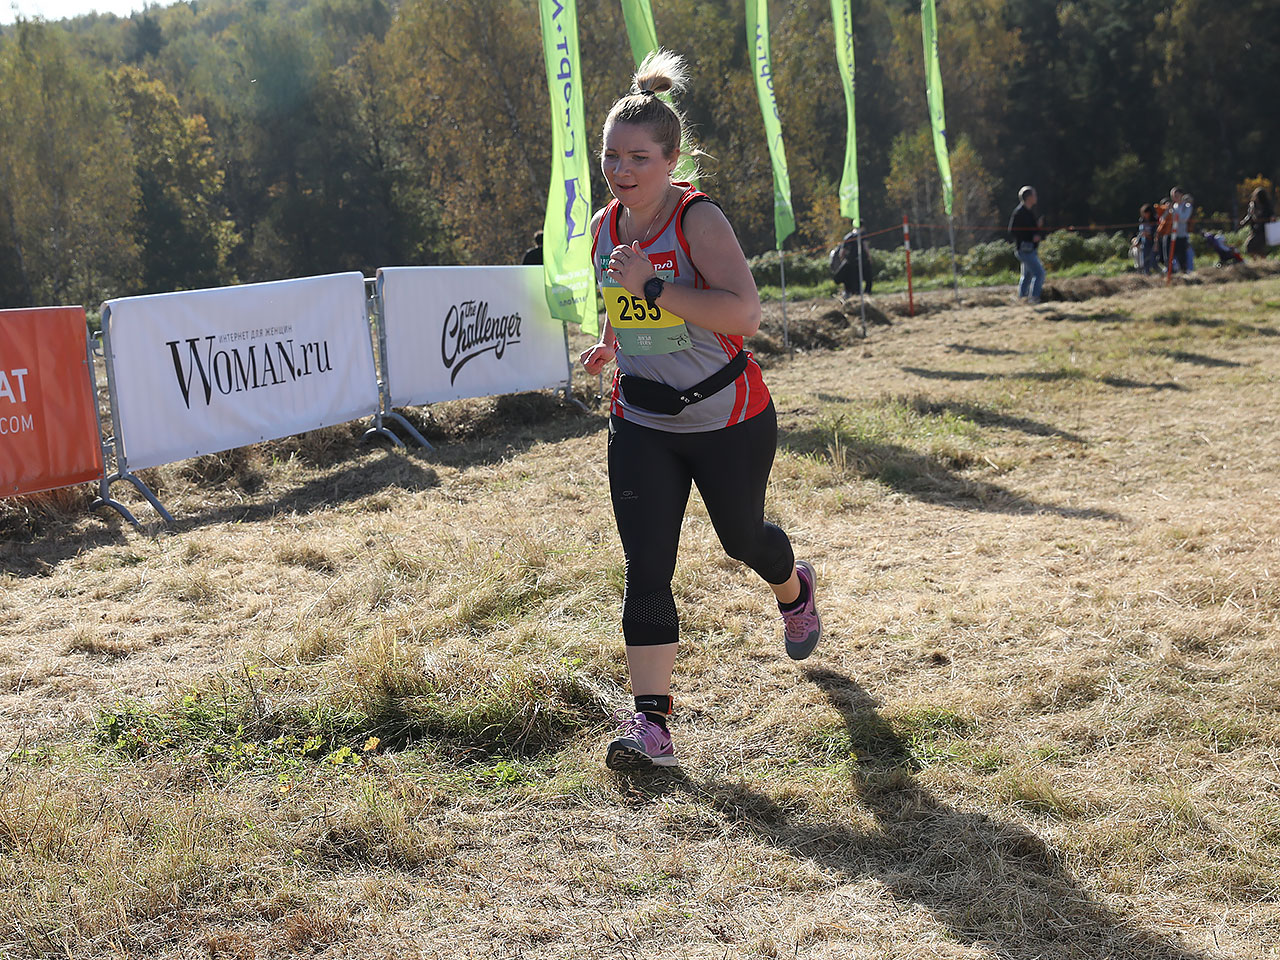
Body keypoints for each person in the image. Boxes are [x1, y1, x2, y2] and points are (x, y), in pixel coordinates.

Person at [579, 49, 821, 772]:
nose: (622, 170)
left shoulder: (697, 220)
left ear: (671, 159)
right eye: (611, 156)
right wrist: (611, 342)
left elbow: (743, 315)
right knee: (647, 566)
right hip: (642, 421)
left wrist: (655, 287)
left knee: (743, 539)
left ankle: (793, 589)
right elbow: (622, 297)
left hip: (726, 417)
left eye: (639, 158)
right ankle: (652, 723)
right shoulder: (604, 226)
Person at [1008, 185, 1045, 304]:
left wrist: (1037, 227)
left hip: (1030, 249)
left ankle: (1022, 299)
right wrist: (1031, 237)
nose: (1036, 197)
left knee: (1027, 276)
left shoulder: (1029, 212)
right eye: (1034, 195)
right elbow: (1013, 231)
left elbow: (1029, 230)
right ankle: (1034, 298)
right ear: (1029, 197)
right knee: (1039, 273)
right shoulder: (1019, 212)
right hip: (1025, 249)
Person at [830, 228, 874, 297]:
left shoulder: (848, 236)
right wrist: (869, 257)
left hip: (850, 262)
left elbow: (842, 252)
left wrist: (843, 261)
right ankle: (864, 293)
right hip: (862, 261)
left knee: (850, 278)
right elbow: (865, 247)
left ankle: (852, 293)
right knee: (867, 278)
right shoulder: (862, 235)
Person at [1241, 186, 1275, 259]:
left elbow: (1272, 216)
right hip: (1255, 229)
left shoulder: (1267, 206)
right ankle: (1259, 261)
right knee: (1251, 247)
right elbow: (1250, 215)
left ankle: (1262, 261)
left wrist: (1264, 219)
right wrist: (1244, 221)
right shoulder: (1253, 205)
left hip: (1264, 230)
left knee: (1251, 246)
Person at [1169, 186, 1193, 274]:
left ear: (1181, 195)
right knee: (1170, 255)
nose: (1174, 198)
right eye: (1173, 196)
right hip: (1171, 235)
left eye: (1176, 196)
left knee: (1182, 256)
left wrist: (1173, 213)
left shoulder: (1187, 206)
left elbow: (1184, 219)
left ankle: (1184, 272)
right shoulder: (1173, 207)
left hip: (1182, 235)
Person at [1137, 203, 1159, 275]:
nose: (1145, 215)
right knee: (1145, 258)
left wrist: (1150, 235)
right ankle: (1146, 273)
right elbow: (1140, 232)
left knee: (1153, 259)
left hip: (1153, 241)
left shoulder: (1154, 220)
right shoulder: (1142, 220)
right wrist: (1138, 241)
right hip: (1145, 242)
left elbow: (1156, 232)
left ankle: (1157, 272)